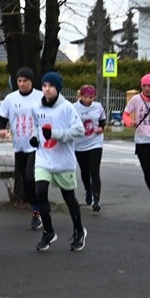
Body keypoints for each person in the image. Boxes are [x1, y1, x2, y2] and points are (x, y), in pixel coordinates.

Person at [31, 72, 87, 251]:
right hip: (43, 158)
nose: (47, 89)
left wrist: (55, 134)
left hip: (63, 161)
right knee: (40, 192)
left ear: (58, 88)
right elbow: (36, 126)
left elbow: (79, 131)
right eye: (44, 85)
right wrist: (35, 138)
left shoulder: (67, 108)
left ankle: (79, 230)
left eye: (51, 86)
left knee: (69, 198)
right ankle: (48, 232)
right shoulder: (36, 107)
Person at [0, 67, 44, 229]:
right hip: (19, 146)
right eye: (19, 81)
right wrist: (0, 129)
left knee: (30, 177)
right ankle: (36, 209)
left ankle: (38, 209)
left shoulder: (40, 96)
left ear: (31, 82)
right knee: (25, 182)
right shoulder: (10, 99)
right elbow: (1, 118)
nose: (22, 84)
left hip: (36, 146)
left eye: (25, 81)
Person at [123, 74, 150, 216]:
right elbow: (125, 114)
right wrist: (129, 122)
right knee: (147, 173)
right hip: (141, 141)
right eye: (144, 85)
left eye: (149, 86)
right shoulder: (136, 99)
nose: (147, 88)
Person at [73, 85, 106, 212]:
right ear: (81, 96)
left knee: (94, 171)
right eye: (85, 97)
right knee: (85, 170)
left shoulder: (97, 106)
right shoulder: (74, 107)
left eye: (91, 97)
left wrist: (101, 128)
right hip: (80, 144)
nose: (88, 100)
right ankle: (88, 189)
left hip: (95, 142)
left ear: (94, 97)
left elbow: (102, 120)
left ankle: (96, 200)